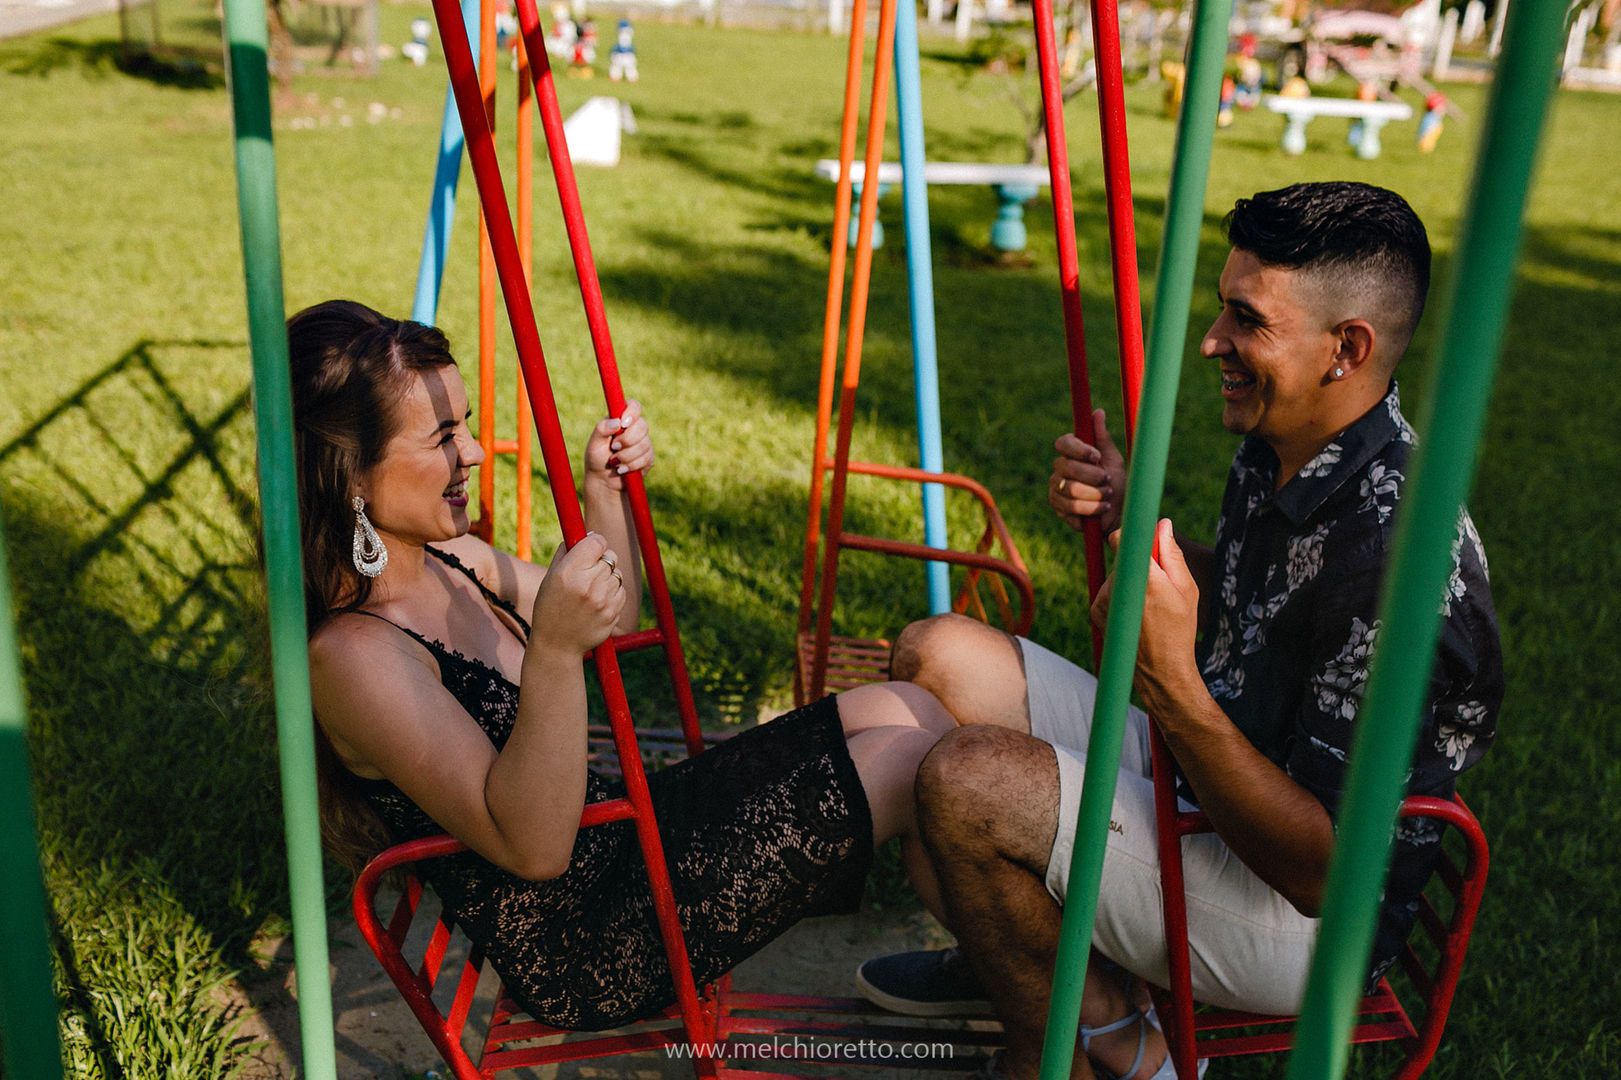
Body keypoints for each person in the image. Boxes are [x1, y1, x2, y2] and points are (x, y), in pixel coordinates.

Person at [856, 183, 1503, 1080]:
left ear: (1345, 349)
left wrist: (1172, 688)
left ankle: (1097, 1046)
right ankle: (1026, 961)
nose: (1211, 340)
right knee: (937, 655)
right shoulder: (1293, 440)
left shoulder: (1396, 572)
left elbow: (1319, 872)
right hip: (1217, 782)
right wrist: (1128, 515)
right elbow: (1257, 593)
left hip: (1306, 915)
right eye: (1222, 307)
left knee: (967, 781)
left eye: (1247, 319)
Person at [289, 299, 957, 1031]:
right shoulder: (355, 657)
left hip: (628, 838)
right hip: (589, 940)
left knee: (910, 709)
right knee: (913, 760)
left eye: (467, 426)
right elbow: (535, 850)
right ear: (351, 475)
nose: (474, 453)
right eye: (444, 437)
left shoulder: (455, 558)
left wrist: (601, 492)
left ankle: (986, 967)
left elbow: (617, 617)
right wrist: (552, 651)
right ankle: (1043, 1003)